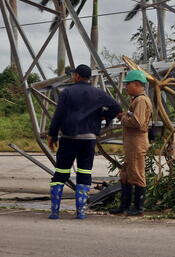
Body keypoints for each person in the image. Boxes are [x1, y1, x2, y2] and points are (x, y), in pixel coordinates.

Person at [47, 64, 121, 219]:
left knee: (60, 172)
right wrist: (103, 116)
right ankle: (80, 212)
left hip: (69, 138)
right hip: (88, 139)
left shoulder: (67, 92)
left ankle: (55, 212)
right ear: (88, 78)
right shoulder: (98, 93)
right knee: (84, 172)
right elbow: (116, 107)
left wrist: (52, 135)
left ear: (77, 76)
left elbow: (58, 115)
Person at [109, 70, 153, 216]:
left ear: (136, 84)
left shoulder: (141, 100)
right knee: (126, 174)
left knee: (137, 173)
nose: (126, 87)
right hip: (132, 143)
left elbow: (138, 123)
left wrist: (123, 118)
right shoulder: (137, 99)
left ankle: (138, 207)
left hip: (137, 143)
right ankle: (124, 206)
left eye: (128, 84)